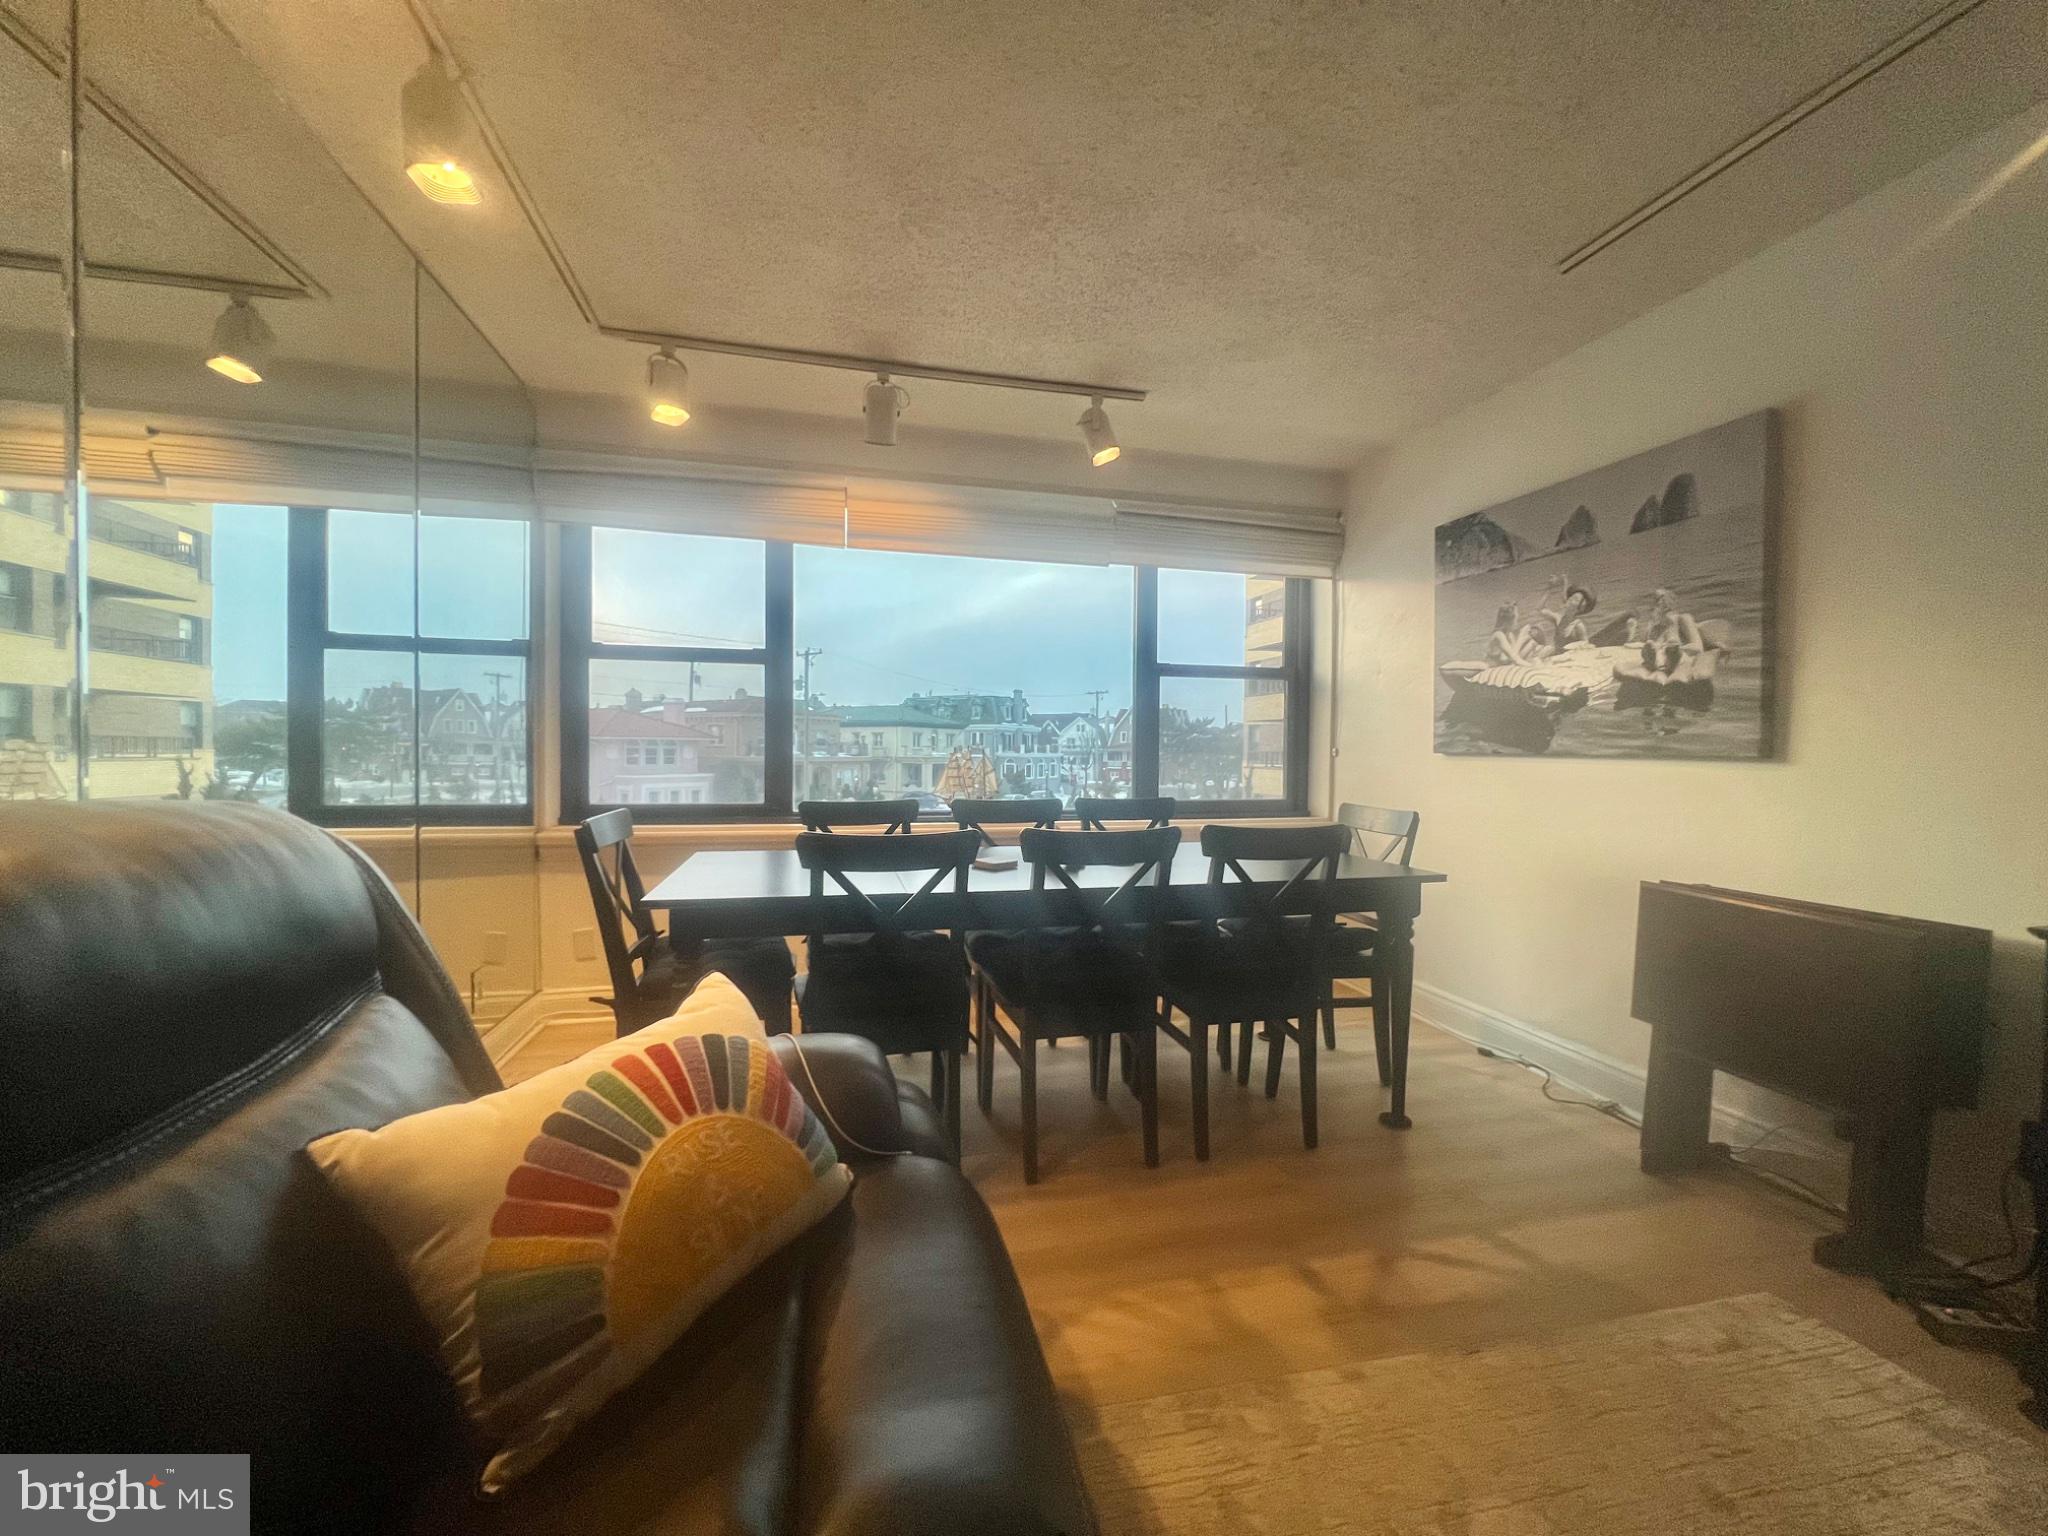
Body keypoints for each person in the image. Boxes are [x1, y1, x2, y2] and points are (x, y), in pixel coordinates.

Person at [1640, 588, 1704, 674]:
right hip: (1658, 661)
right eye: (1657, 600)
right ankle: (1657, 661)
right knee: (1650, 646)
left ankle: (1671, 657)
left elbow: (1698, 647)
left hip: (1678, 657)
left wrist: (1674, 648)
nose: (1661, 602)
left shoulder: (1683, 619)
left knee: (1672, 648)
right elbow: (1643, 644)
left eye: (1663, 599)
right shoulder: (1654, 628)